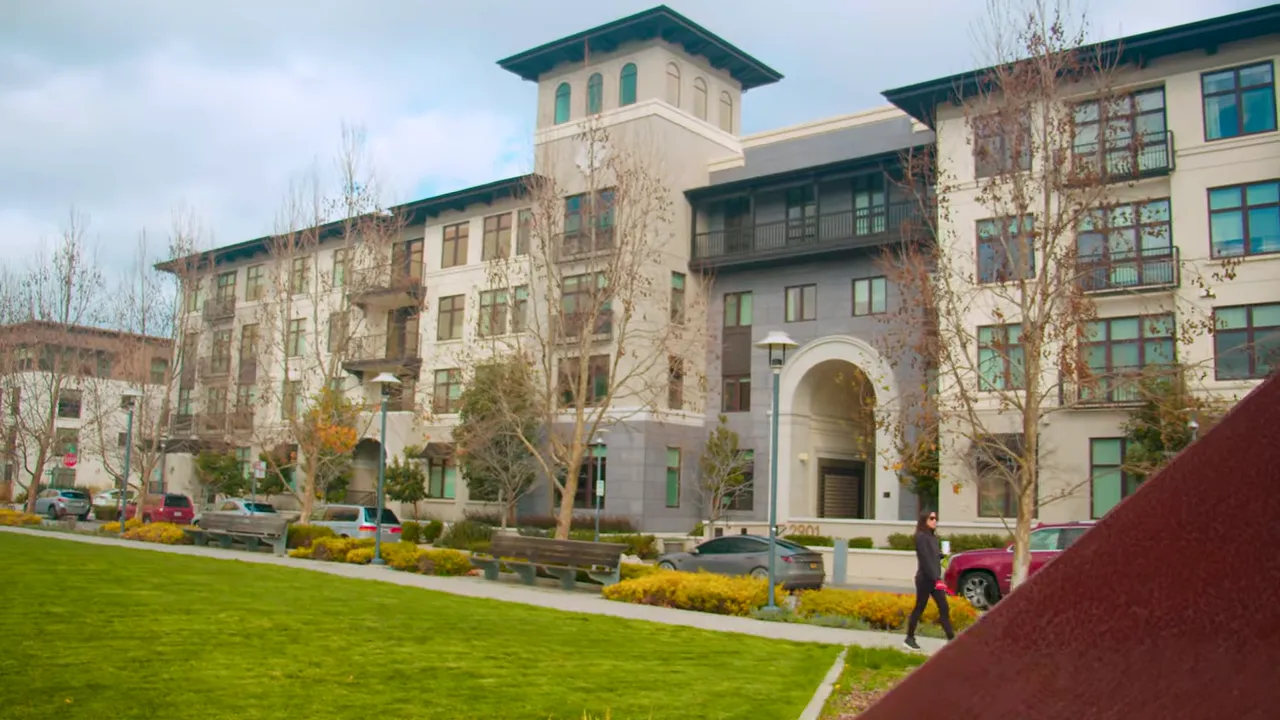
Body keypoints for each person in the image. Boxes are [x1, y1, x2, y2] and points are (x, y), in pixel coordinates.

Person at [903, 509, 955, 650]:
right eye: (931, 518)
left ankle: (951, 639)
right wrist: (935, 578)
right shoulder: (921, 537)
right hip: (925, 579)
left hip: (934, 579)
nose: (934, 521)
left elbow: (932, 557)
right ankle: (909, 638)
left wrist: (942, 556)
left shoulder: (932, 537)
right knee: (920, 607)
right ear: (924, 521)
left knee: (944, 607)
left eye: (936, 518)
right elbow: (925, 559)